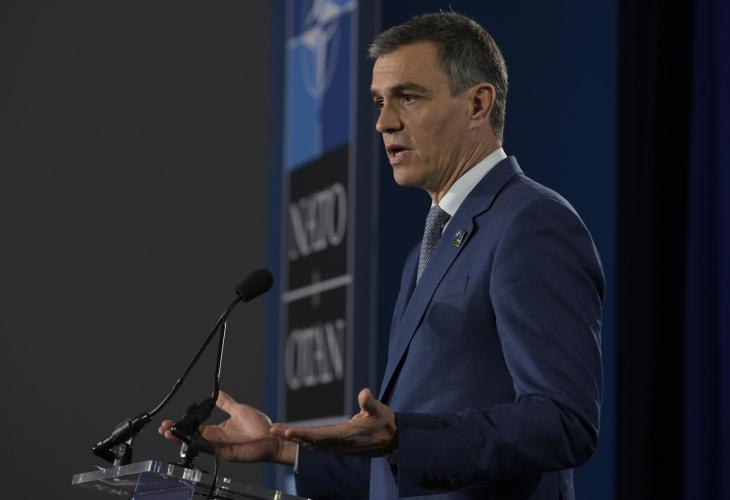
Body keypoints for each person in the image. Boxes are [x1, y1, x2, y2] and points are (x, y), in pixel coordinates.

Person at [160, 12, 604, 500]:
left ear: (478, 104)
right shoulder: (424, 251)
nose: (383, 122)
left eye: (408, 97)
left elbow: (563, 422)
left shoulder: (531, 223)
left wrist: (403, 436)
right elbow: (407, 467)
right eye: (379, 102)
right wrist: (283, 447)